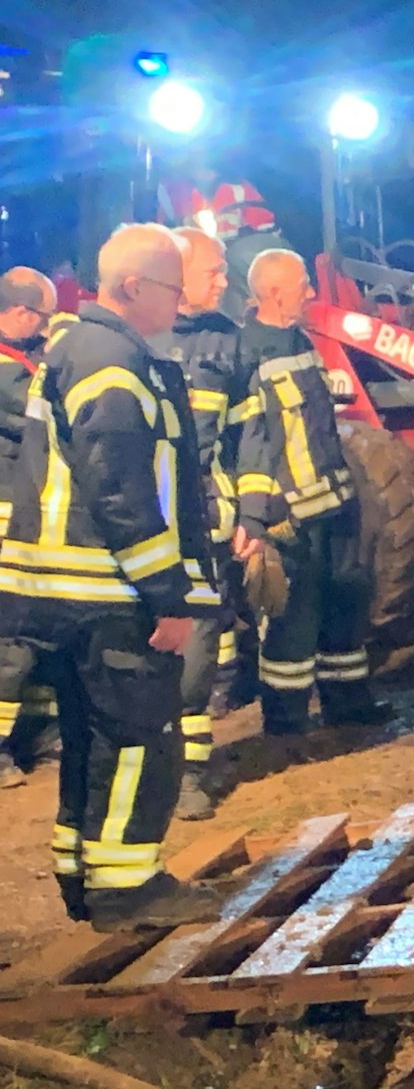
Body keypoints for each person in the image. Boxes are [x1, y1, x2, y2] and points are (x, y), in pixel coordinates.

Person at [0, 224, 225, 931]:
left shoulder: (83, 349)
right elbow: (123, 488)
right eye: (172, 287)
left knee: (92, 740)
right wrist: (168, 593)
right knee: (140, 739)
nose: (182, 303)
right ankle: (129, 888)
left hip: (69, 590)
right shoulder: (113, 360)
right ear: (132, 287)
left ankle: (85, 876)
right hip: (108, 591)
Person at [235, 249, 385, 738]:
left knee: (346, 603)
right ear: (274, 291)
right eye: (303, 284)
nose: (312, 293)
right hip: (290, 514)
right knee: (292, 617)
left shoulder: (297, 340)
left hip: (335, 503)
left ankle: (349, 704)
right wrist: (258, 516)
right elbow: (252, 442)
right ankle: (286, 723)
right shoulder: (249, 352)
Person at [155, 228, 256, 819]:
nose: (224, 281)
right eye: (213, 271)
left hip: (202, 527)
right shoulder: (128, 340)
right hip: (134, 529)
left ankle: (189, 769)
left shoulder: (228, 344)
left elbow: (248, 440)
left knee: (198, 651)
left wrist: (254, 514)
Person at [0, 267, 62, 786]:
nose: (47, 330)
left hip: (24, 517)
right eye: (44, 319)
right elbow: (43, 414)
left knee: (36, 629)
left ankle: (35, 731)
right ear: (20, 313)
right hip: (6, 520)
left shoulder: (21, 357)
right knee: (11, 633)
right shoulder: (6, 369)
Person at [158, 159, 290, 321]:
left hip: (250, 245)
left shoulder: (237, 188)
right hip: (215, 251)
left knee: (235, 261)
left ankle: (262, 314)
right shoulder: (176, 191)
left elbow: (264, 224)